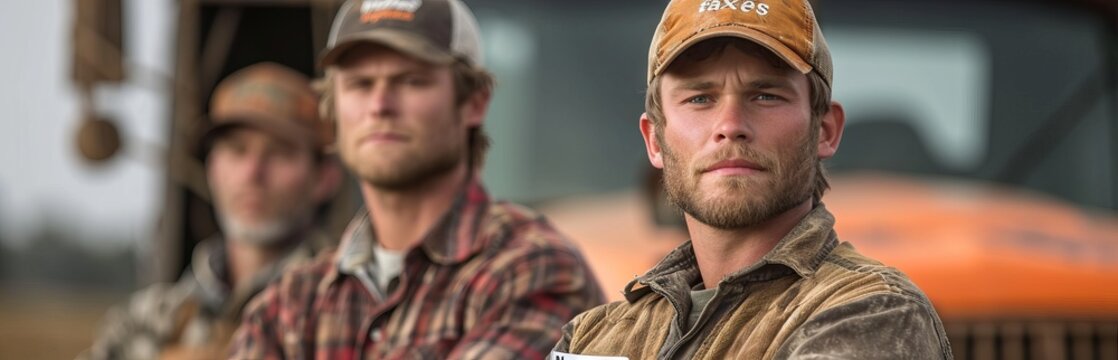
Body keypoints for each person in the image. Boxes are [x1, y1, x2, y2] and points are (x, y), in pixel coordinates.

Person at [553, 0, 953, 358]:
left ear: (825, 130)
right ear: (654, 140)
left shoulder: (873, 313)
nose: (730, 126)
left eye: (765, 95)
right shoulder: (593, 337)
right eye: (699, 98)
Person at [229, 0, 605, 358]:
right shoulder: (288, 306)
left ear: (475, 101)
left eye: (411, 81)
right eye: (360, 84)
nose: (380, 106)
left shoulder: (534, 268)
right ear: (333, 110)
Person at [83, 62, 342, 360]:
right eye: (237, 150)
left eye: (279, 152)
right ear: (211, 168)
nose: (252, 173)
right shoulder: (148, 322)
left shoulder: (345, 310)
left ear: (325, 177)